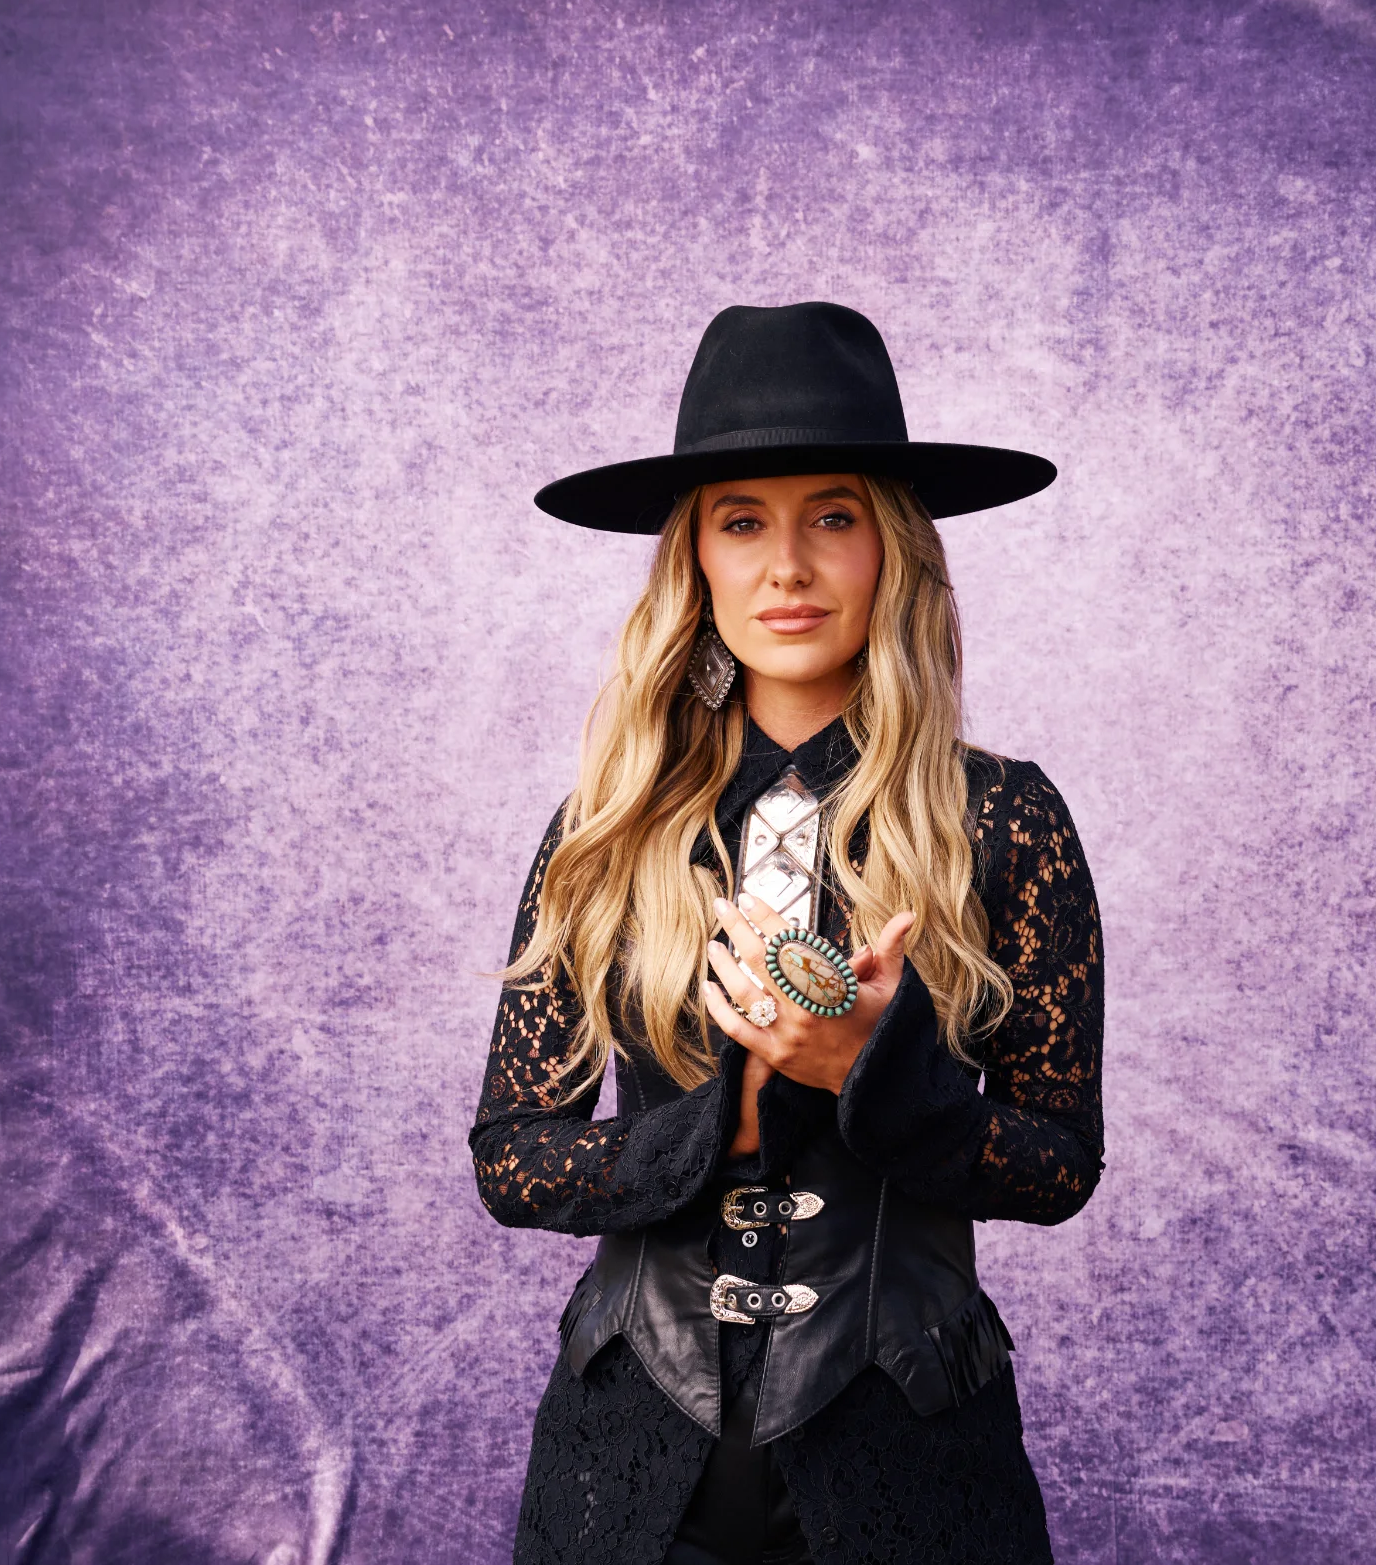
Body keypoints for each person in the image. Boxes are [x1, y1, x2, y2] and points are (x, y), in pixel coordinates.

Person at [471, 301, 1104, 1565]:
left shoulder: (1006, 817)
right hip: (631, 1463)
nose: (788, 567)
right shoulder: (605, 825)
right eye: (741, 520)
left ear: (893, 549)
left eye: (833, 515)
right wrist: (726, 1129)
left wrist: (881, 1078)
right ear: (695, 558)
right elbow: (512, 1157)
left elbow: (1059, 1163)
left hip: (913, 1459)